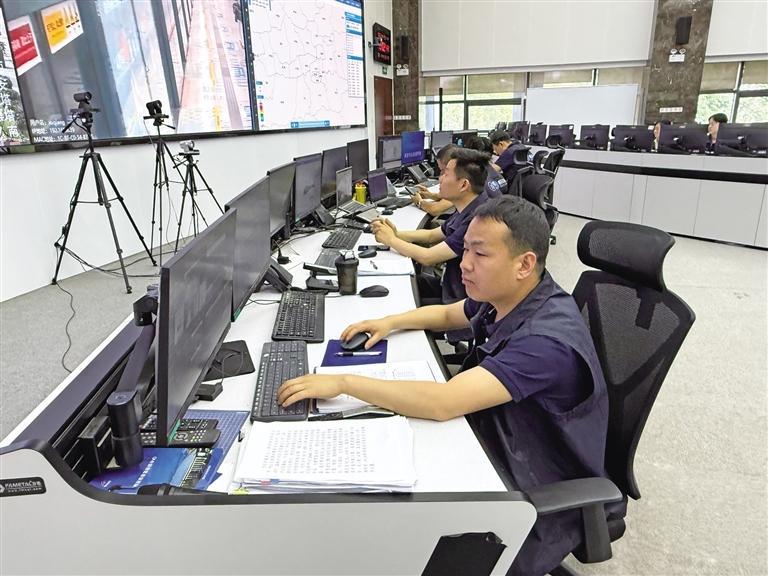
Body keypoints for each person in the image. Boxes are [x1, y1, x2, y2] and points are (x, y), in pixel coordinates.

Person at [278, 195, 610, 576]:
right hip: (497, 442)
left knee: (382, 528)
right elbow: (451, 314)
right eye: (465, 249)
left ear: (524, 264)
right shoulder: (514, 293)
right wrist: (389, 322)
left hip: (530, 492)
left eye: (480, 254)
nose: (464, 263)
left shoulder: (545, 341)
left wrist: (342, 382)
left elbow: (444, 402)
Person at [373, 148, 488, 305]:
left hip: (457, 301)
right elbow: (432, 235)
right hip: (448, 285)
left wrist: (391, 240)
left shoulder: (476, 221)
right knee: (397, 283)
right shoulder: (468, 206)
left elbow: (428, 257)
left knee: (395, 298)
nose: (440, 179)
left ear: (463, 185)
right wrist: (397, 234)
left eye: (445, 174)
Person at [411, 144, 456, 217]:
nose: (440, 176)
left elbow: (435, 210)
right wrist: (430, 195)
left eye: (443, 170)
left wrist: (419, 202)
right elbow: (449, 199)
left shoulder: (460, 184)